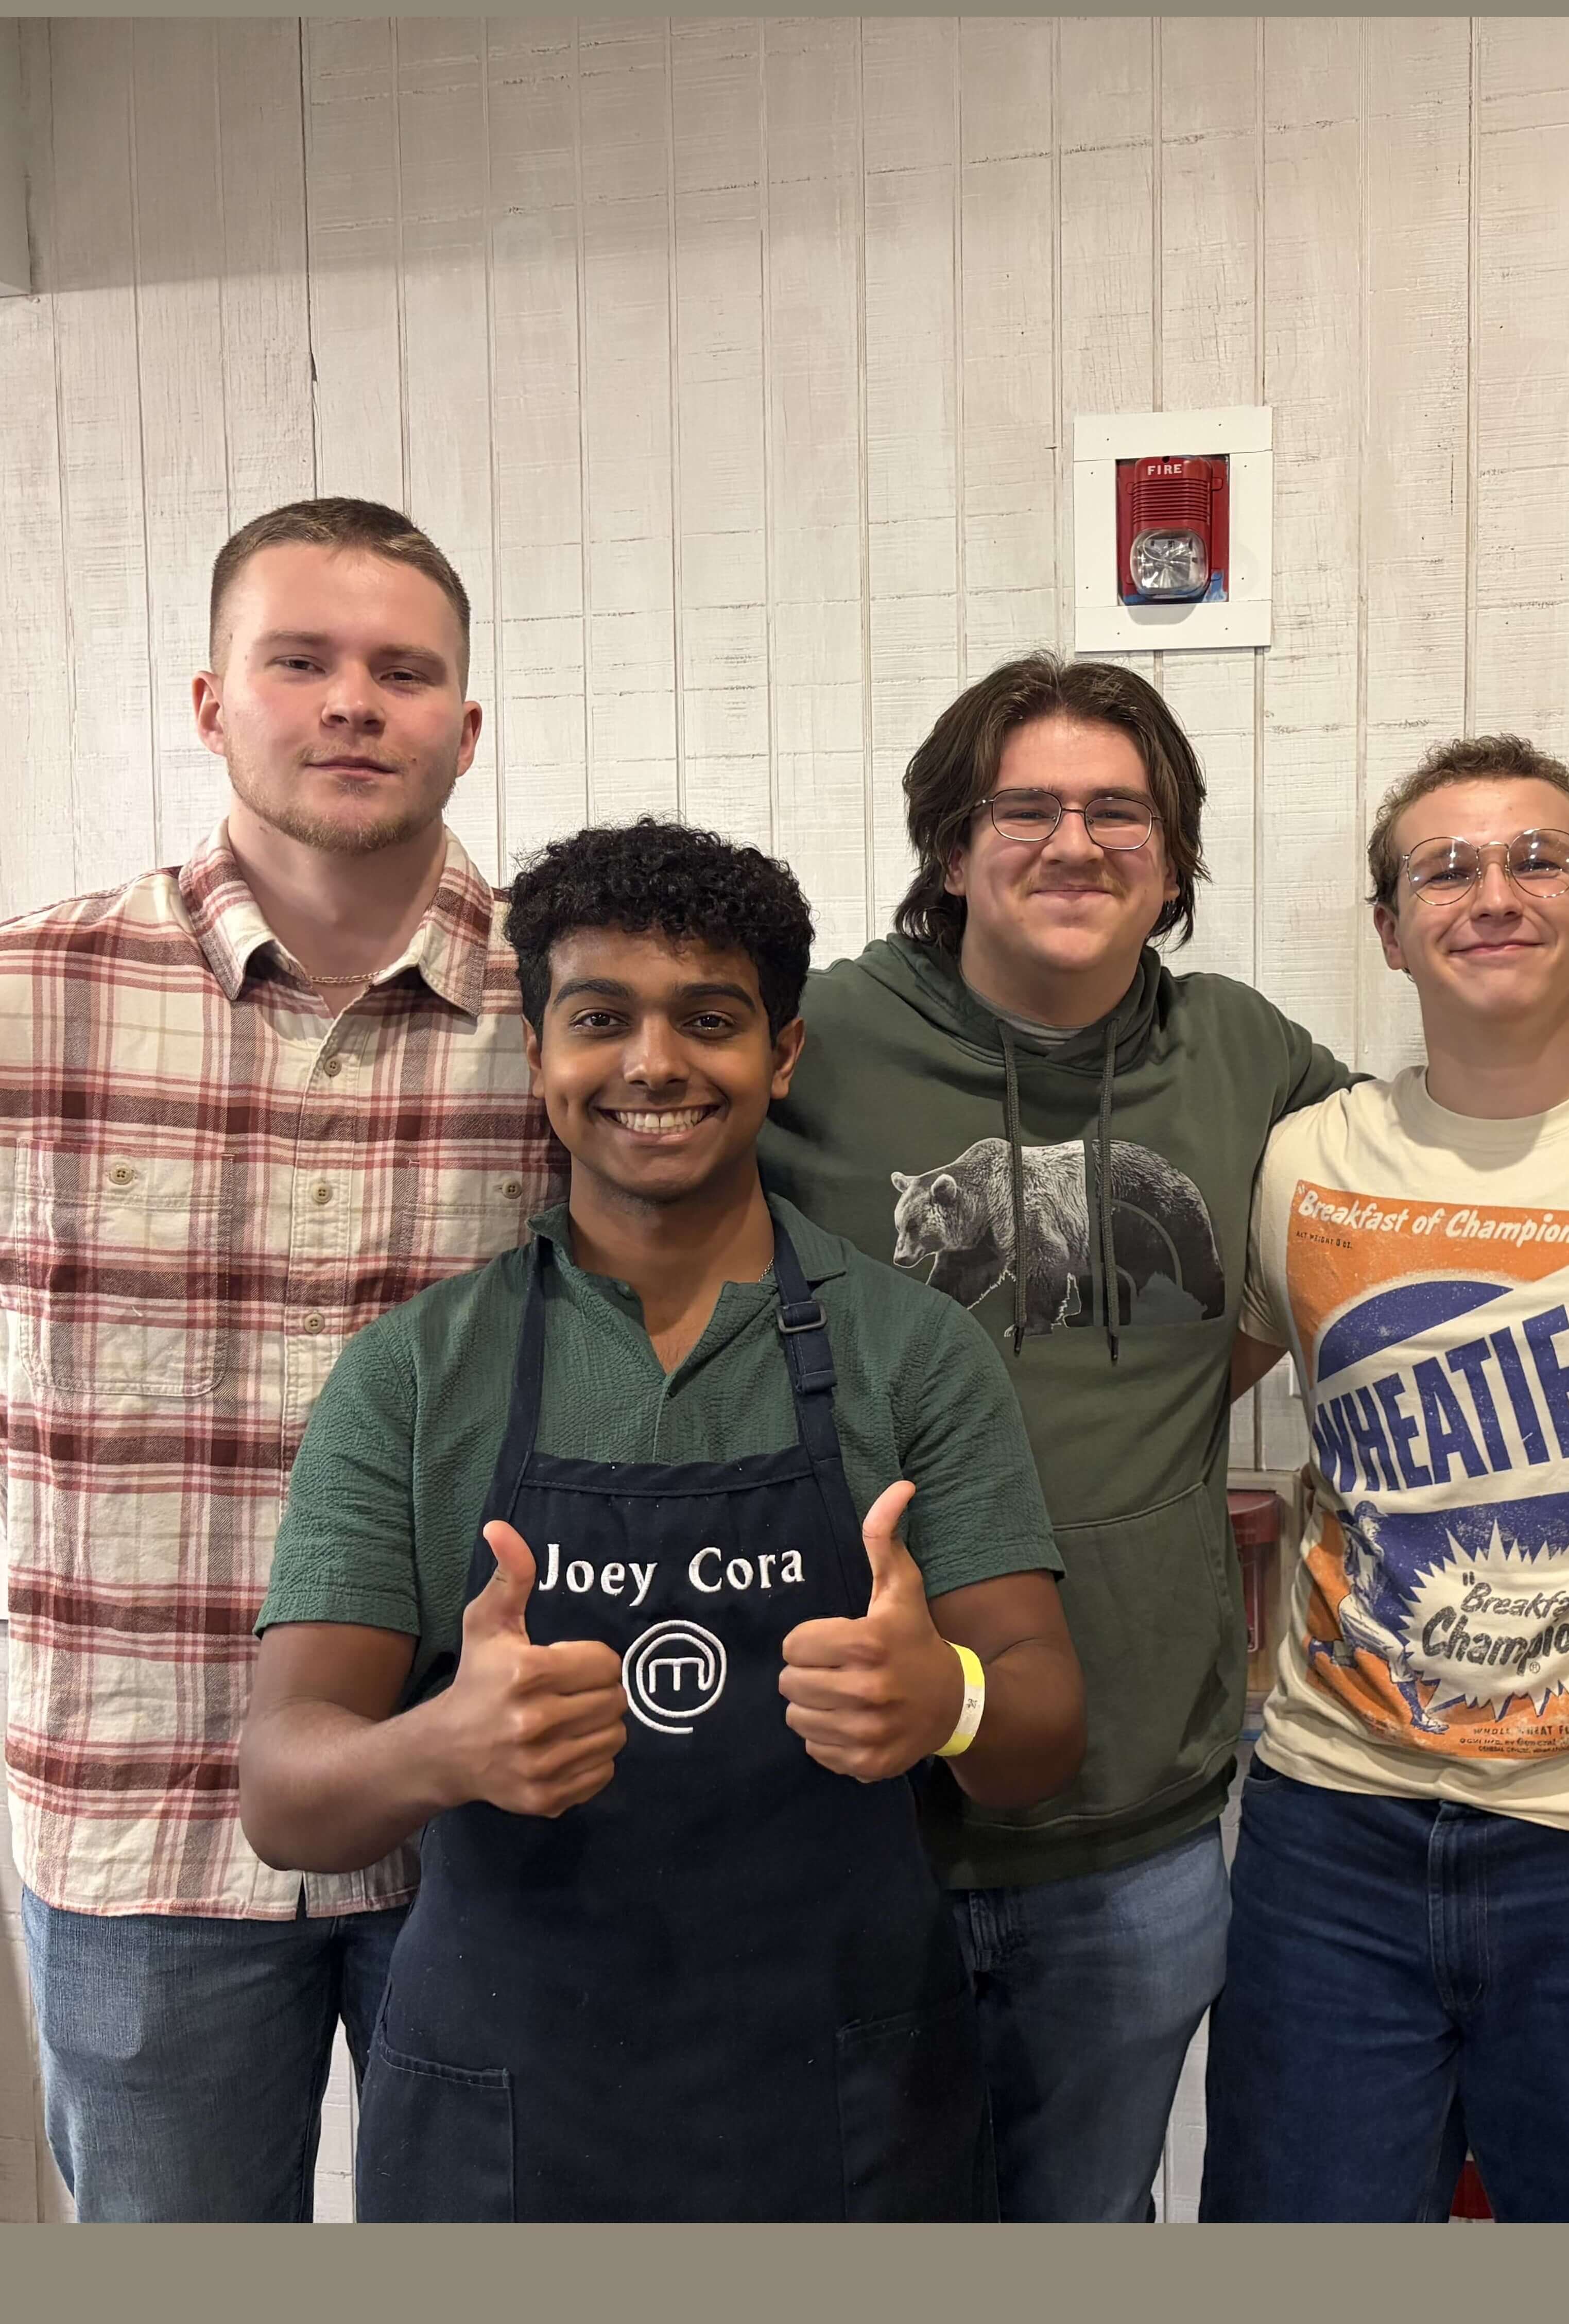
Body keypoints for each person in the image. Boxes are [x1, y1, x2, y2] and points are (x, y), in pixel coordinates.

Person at [238, 820, 1082, 2221]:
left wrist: (948, 1698)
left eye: (709, 1018)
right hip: (509, 2118)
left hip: (848, 2100)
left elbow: (1042, 1728)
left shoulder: (912, 1352)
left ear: (783, 1053)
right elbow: (283, 1795)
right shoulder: (416, 1373)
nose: (653, 1063)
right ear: (537, 1055)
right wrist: (442, 1742)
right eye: (600, 1019)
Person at [0, 498, 559, 2220]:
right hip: (140, 1814)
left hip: (490, 1821)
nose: (352, 703)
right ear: (209, 700)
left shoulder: (578, 1018)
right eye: (299, 660)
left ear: (466, 724)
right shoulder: (33, 996)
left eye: (402, 672)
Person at [760, 653, 1354, 2219]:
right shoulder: (815, 1038)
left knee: (1084, 2225)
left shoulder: (1244, 1056)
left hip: (1131, 1814)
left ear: (1174, 856)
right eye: (1024, 809)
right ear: (952, 849)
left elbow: (1432, 1181)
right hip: (844, 1810)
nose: (1073, 843)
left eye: (1118, 812)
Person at [1197, 736, 1569, 2221]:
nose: (1494, 893)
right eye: (1444, 869)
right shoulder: (1304, 1160)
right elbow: (1173, 1398)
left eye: (1538, 859)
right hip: (1332, 1819)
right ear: (1390, 930)